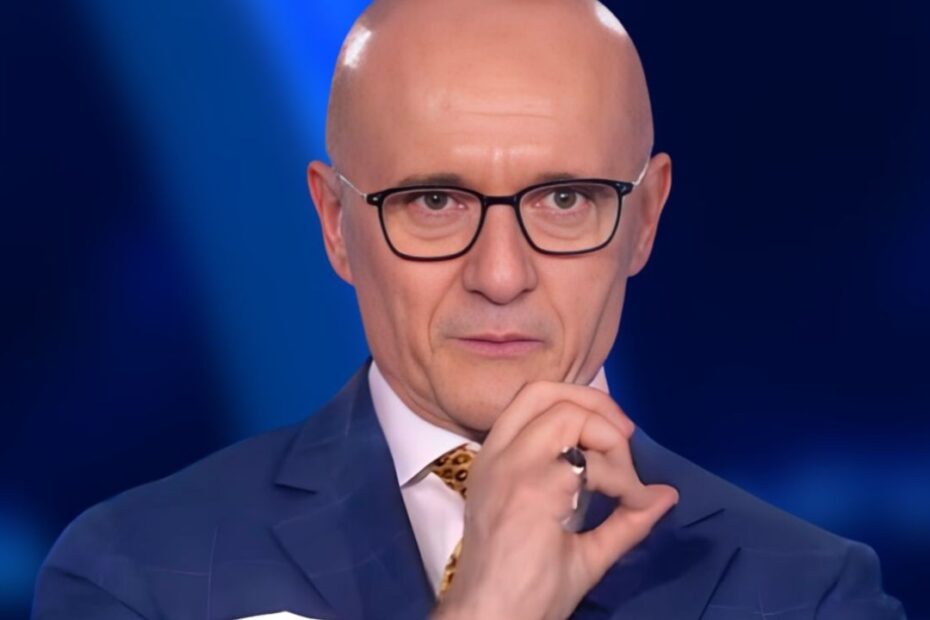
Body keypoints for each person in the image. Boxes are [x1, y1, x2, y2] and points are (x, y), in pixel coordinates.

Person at [33, 0, 906, 618]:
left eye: (563, 200)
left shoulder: (807, 594)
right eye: (435, 202)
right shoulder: (135, 572)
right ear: (335, 225)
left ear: (644, 220)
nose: (500, 274)